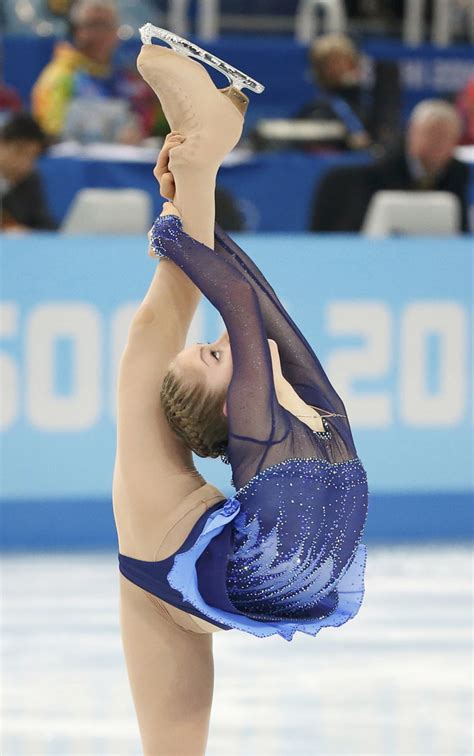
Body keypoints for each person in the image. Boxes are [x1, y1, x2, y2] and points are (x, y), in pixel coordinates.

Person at [113, 31, 368, 754]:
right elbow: (242, 309)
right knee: (150, 342)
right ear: (234, 401)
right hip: (204, 572)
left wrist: (190, 212)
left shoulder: (308, 421)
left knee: (156, 335)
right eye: (219, 357)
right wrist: (188, 205)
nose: (226, 346)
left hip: (188, 581)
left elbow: (255, 307)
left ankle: (203, 146)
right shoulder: (295, 422)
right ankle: (204, 144)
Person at [310, 98, 469, 232]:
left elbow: (459, 229)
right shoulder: (383, 168)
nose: (438, 143)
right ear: (412, 133)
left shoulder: (458, 172)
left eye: (446, 137)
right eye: (433, 134)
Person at [31, 0, 166, 143]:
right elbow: (50, 134)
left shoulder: (131, 78)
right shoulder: (59, 76)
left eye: (107, 26)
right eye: (93, 25)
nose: (101, 34)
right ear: (76, 31)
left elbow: (159, 126)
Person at [295, 33, 372, 151]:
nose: (340, 67)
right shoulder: (317, 108)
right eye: (333, 63)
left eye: (346, 61)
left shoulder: (370, 101)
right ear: (320, 70)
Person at [0, 113, 56, 231]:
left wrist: (25, 232)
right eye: (19, 152)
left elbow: (46, 225)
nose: (25, 163)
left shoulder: (30, 180)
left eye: (32, 157)